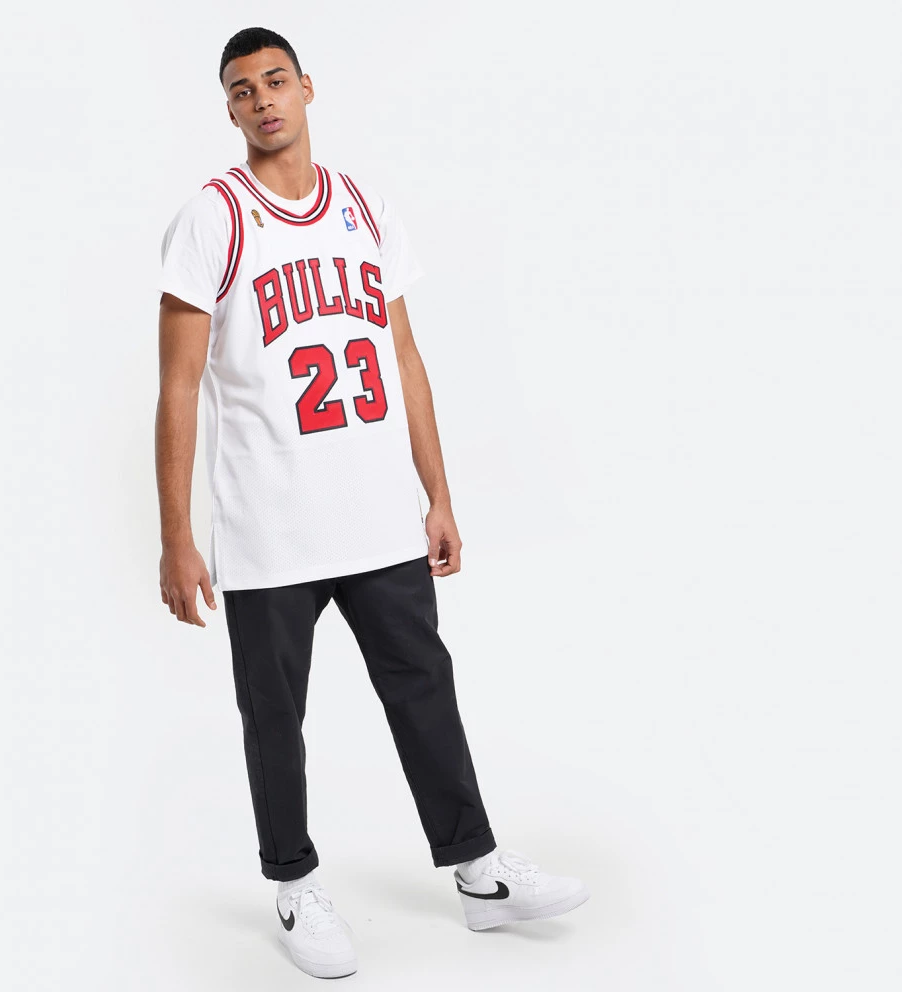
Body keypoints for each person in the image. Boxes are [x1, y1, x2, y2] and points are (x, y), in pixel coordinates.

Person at [155, 26, 590, 980]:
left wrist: (439, 493)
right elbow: (178, 387)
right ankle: (293, 883)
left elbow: (404, 355)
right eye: (242, 90)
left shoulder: (362, 205)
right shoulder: (213, 218)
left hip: (378, 514)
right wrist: (175, 538)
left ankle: (478, 873)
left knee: (425, 691)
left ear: (308, 88)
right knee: (275, 719)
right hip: (270, 527)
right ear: (228, 110)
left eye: (276, 81)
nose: (263, 99)